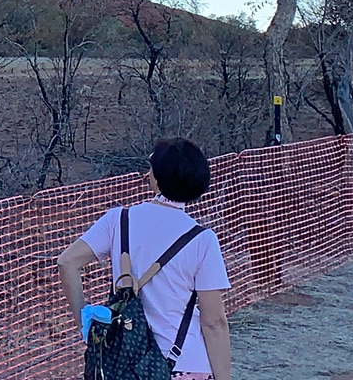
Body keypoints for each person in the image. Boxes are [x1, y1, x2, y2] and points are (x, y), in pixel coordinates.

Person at [57, 138, 233, 380]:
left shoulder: (119, 220)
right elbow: (213, 321)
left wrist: (87, 327)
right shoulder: (203, 240)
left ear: (157, 178)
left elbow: (67, 262)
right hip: (184, 362)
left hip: (121, 362)